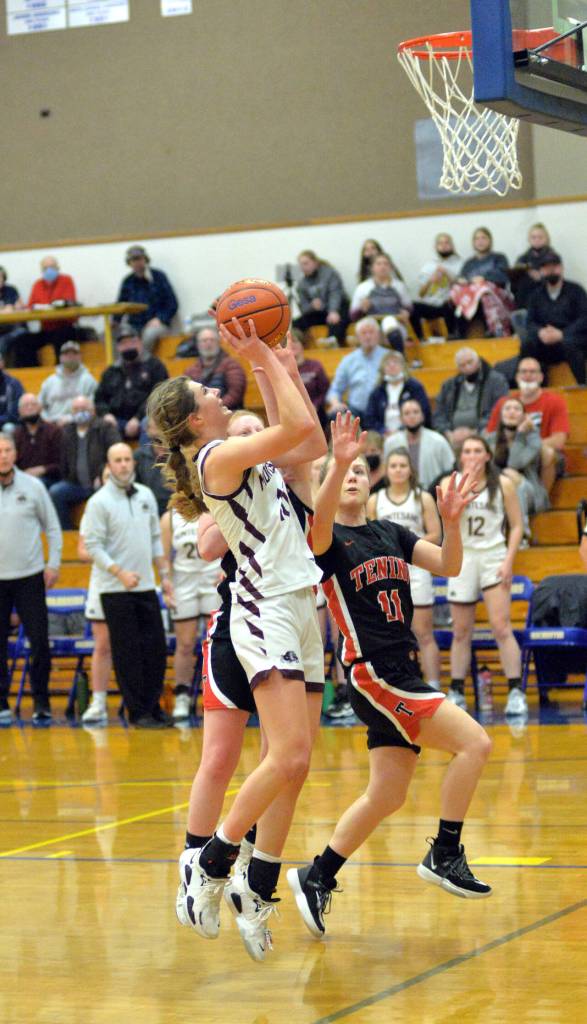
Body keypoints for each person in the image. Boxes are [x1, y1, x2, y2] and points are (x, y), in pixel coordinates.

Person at [147, 318, 326, 962]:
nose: (217, 395)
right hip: (262, 609)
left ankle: (256, 884)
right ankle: (212, 860)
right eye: (208, 393)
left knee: (299, 762)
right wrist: (259, 357)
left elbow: (305, 439)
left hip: (303, 604)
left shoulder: (253, 455)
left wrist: (267, 363)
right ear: (195, 421)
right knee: (283, 755)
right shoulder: (214, 458)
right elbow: (300, 432)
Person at [286, 414, 492, 939]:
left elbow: (446, 564)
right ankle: (445, 852)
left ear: (373, 480)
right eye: (343, 472)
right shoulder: (325, 539)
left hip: (401, 669)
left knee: (388, 794)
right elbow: (321, 516)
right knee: (475, 744)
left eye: (360, 469)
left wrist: (451, 520)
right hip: (374, 673)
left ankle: (317, 875)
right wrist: (333, 463)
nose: (353, 475)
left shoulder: (392, 534)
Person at [82, 442, 175, 728]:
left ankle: (154, 706)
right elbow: (92, 546)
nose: (123, 464)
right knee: (128, 653)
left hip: (146, 585)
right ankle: (138, 712)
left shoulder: (146, 495)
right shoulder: (98, 502)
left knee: (155, 650)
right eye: (117, 461)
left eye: (126, 459)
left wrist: (165, 576)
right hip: (115, 589)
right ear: (109, 466)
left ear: (133, 463)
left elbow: (155, 539)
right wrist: (119, 572)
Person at [445, 436, 525, 717]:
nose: (472, 455)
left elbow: (517, 526)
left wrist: (508, 560)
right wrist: (466, 483)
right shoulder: (449, 483)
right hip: (463, 558)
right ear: (460, 456)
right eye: (467, 451)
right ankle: (456, 689)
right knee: (461, 631)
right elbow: (449, 522)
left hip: (493, 557)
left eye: (478, 450)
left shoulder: (503, 485)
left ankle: (516, 690)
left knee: (501, 626)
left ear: (488, 455)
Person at [367, 447, 443, 692]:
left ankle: (434, 686)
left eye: (402, 465)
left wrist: (406, 547)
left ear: (410, 470)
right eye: (393, 466)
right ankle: (391, 687)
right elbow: (367, 534)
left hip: (417, 569)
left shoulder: (423, 497)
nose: (398, 470)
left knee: (424, 633)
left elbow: (436, 534)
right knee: (390, 635)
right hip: (385, 573)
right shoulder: (374, 500)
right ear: (386, 471)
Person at [0, 433, 62, 724]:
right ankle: (1, 702)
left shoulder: (33, 486)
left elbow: (52, 528)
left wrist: (53, 564)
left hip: (30, 576)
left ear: (15, 453)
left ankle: (41, 702)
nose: (3, 455)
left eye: (8, 449)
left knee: (39, 643)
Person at [160, 507, 221, 721]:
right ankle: (183, 693)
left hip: (212, 580)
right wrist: (165, 579)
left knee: (216, 641)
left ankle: (216, 691)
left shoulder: (216, 507)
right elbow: (164, 556)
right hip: (183, 584)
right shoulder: (170, 518)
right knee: (185, 644)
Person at [485, 357, 570, 495]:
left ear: (541, 377)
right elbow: (489, 436)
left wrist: (529, 447)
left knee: (547, 452)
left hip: (540, 454)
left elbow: (559, 440)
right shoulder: (504, 403)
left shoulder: (555, 401)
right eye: (524, 372)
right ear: (517, 377)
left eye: (533, 372)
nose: (528, 376)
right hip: (509, 451)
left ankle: (542, 499)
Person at [48, 396, 119, 529]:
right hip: (76, 484)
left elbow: (116, 453)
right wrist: (67, 477)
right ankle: (66, 533)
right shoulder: (67, 431)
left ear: (92, 410)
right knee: (56, 492)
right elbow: (63, 460)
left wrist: (104, 474)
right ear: (72, 413)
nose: (80, 412)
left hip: (101, 482)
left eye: (84, 408)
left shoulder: (105, 428)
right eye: (76, 409)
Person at [484, 397, 549, 541]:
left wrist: (520, 434)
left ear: (524, 416)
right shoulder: (490, 440)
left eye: (517, 409)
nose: (512, 412)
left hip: (530, 492)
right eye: (507, 409)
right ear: (501, 415)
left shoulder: (532, 439)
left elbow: (515, 463)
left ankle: (522, 535)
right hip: (497, 489)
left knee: (512, 475)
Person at [518, 250, 587, 385]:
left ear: (561, 268)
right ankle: (534, 387)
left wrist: (562, 334)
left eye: (554, 266)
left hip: (573, 341)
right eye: (545, 267)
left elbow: (584, 318)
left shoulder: (576, 290)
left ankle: (583, 387)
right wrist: (540, 332)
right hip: (546, 342)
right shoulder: (536, 295)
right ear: (541, 271)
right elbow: (530, 322)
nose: (550, 271)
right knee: (527, 345)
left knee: (570, 343)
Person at [77, 482, 114, 726]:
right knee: (103, 644)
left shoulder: (138, 500)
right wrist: (109, 558)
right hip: (103, 582)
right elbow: (82, 550)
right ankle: (98, 702)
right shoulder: (96, 507)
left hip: (129, 584)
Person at [94, 323, 168, 439]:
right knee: (100, 425)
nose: (128, 346)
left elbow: (159, 396)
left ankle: (144, 457)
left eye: (132, 342)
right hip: (116, 420)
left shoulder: (155, 366)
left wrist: (137, 418)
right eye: (123, 343)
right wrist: (106, 414)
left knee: (149, 422)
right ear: (118, 347)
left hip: (144, 417)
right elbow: (99, 399)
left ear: (140, 342)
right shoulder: (111, 371)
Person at [433, 347, 509, 448]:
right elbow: (438, 414)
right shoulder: (449, 385)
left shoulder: (496, 381)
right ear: (458, 368)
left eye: (470, 362)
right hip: (452, 436)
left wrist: (474, 432)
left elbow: (500, 409)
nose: (467, 367)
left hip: (484, 431)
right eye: (462, 365)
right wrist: (448, 432)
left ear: (478, 361)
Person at [115, 244, 178, 353]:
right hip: (134, 325)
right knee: (116, 334)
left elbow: (173, 304)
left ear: (145, 259)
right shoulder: (127, 281)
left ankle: (142, 361)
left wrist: (160, 319)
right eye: (133, 260)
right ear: (129, 263)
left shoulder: (159, 277)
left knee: (149, 334)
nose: (137, 263)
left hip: (157, 323)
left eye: (139, 259)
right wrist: (115, 322)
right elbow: (120, 305)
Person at [451, 228, 513, 337]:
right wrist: (461, 281)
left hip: (494, 294)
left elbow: (503, 277)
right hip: (471, 295)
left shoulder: (499, 258)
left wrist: (484, 278)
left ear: (490, 240)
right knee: (456, 291)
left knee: (483, 292)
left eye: (483, 238)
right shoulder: (469, 263)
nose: (480, 241)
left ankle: (493, 329)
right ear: (473, 243)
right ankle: (459, 333)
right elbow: (462, 278)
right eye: (477, 239)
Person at [383, 399, 455, 490]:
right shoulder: (391, 443)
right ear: (401, 419)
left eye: (416, 412)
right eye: (407, 413)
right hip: (400, 492)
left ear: (422, 416)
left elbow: (450, 471)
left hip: (433, 493)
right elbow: (385, 472)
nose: (412, 416)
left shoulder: (439, 441)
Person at [349, 253, 413, 352]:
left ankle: (401, 356)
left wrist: (406, 313)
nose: (382, 267)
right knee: (365, 328)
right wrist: (362, 309)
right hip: (371, 321)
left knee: (389, 322)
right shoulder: (363, 287)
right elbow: (353, 316)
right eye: (378, 264)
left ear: (391, 267)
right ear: (372, 268)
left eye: (386, 264)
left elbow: (409, 308)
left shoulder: (399, 286)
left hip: (395, 323)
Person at [326, 317, 388, 419]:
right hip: (356, 411)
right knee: (335, 415)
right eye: (364, 333)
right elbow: (335, 389)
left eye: (371, 332)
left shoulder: (389, 357)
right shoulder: (348, 360)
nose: (368, 337)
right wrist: (335, 403)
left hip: (383, 410)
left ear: (378, 335)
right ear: (358, 337)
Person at [364, 350, 431, 434]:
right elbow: (369, 419)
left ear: (403, 366)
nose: (392, 365)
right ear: (382, 369)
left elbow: (424, 413)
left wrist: (401, 431)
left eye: (395, 362)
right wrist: (383, 431)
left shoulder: (415, 387)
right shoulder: (377, 392)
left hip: (410, 432)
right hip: (383, 435)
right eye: (388, 363)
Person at [293, 249, 349, 346]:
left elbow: (335, 293)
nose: (303, 267)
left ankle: (333, 341)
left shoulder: (330, 273)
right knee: (297, 323)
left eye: (306, 263)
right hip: (319, 312)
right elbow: (303, 306)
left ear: (315, 263)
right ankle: (299, 346)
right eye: (301, 265)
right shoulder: (302, 284)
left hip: (337, 307)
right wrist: (312, 306)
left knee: (337, 318)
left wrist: (333, 310)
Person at [28, 255, 78, 360]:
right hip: (46, 329)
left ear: (58, 268)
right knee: (23, 341)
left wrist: (49, 306)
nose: (49, 270)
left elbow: (68, 302)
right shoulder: (38, 284)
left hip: (65, 327)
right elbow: (31, 306)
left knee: (60, 337)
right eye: (45, 268)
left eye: (52, 267)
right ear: (42, 270)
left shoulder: (66, 280)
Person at [185, 325, 246, 409]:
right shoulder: (190, 371)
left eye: (212, 340)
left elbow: (235, 394)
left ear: (218, 342)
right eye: (204, 340)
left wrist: (215, 408)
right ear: (198, 345)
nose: (208, 343)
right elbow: (186, 395)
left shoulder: (232, 365)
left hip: (228, 414)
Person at [412, 233, 461, 337]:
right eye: (440, 243)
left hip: (449, 304)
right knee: (413, 306)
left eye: (447, 243)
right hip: (432, 305)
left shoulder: (459, 264)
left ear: (452, 246)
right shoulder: (428, 266)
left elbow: (462, 289)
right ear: (435, 247)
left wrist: (447, 275)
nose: (443, 245)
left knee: (451, 304)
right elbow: (421, 294)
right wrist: (430, 281)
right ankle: (419, 338)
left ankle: (452, 336)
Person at [39, 341, 97, 425]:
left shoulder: (89, 380)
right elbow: (40, 406)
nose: (70, 356)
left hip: (80, 424)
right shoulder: (49, 382)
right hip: (52, 425)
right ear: (60, 357)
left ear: (80, 356)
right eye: (66, 353)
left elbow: (93, 408)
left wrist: (72, 419)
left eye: (74, 353)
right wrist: (48, 421)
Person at [15, 393, 62, 488]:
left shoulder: (54, 431)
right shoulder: (16, 434)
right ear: (19, 411)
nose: (30, 408)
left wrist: (43, 469)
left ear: (40, 408)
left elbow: (62, 463)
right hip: (23, 478)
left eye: (33, 404)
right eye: (25, 405)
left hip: (50, 478)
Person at [289, 329, 330, 427]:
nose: (291, 344)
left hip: (316, 412)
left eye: (295, 341)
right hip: (293, 413)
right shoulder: (282, 369)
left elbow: (325, 391)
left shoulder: (315, 366)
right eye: (288, 342)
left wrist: (315, 405)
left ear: (302, 344)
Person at [134, 417, 173, 516]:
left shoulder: (182, 454)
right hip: (147, 510)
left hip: (177, 510)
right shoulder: (139, 456)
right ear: (147, 431)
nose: (159, 430)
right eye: (155, 426)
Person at [511, 223, 553, 309]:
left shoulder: (553, 258)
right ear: (529, 239)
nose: (537, 240)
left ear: (546, 239)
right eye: (533, 237)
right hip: (523, 298)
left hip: (545, 297)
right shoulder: (522, 258)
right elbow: (513, 287)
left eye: (540, 237)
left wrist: (541, 277)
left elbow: (557, 283)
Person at [0, 266, 30, 366]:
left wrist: (10, 309)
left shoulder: (10, 290)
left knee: (19, 336)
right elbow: (10, 308)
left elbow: (13, 309)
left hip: (12, 328)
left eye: (0, 276)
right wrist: (8, 309)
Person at [0, 353, 24, 431]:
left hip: (8, 423)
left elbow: (15, 412)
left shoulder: (13, 384)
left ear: (2, 363)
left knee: (9, 428)